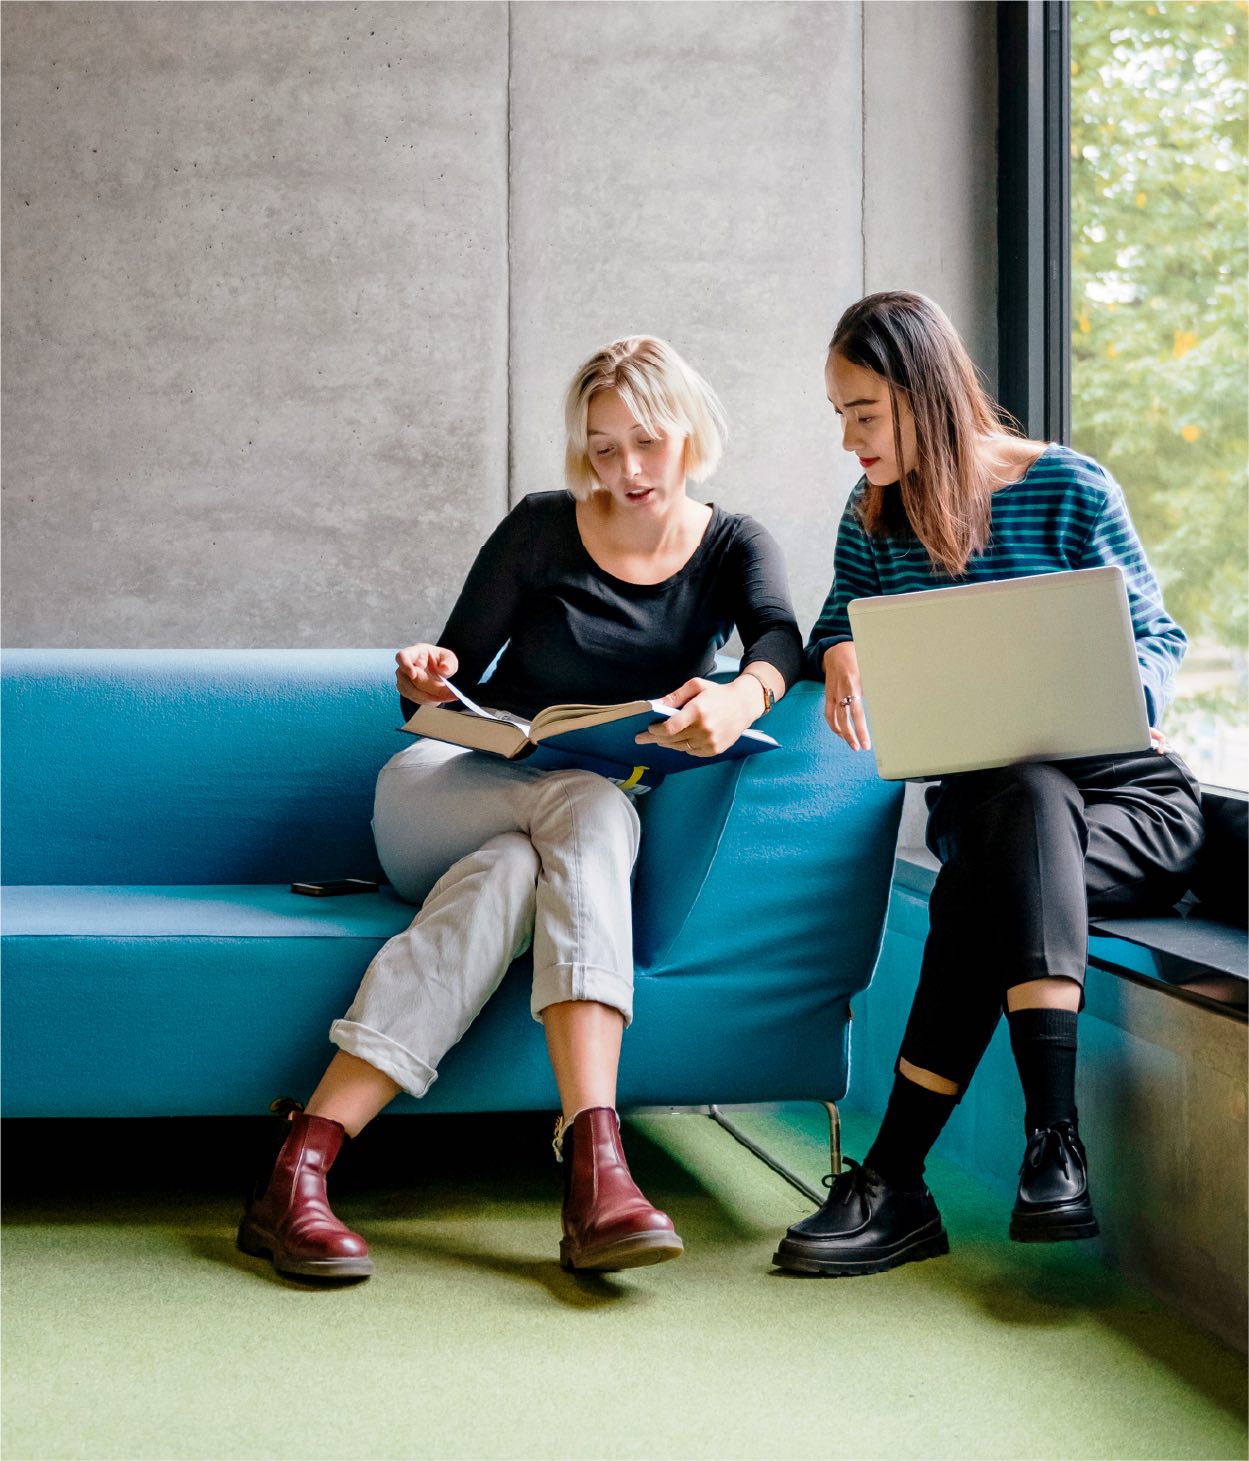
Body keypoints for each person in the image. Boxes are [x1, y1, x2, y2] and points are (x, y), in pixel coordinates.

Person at [238, 335, 803, 1281]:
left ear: (691, 432)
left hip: (541, 837)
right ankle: (598, 1168)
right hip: (442, 798)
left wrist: (741, 695)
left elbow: (778, 633)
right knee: (590, 805)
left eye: (647, 442)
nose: (625, 469)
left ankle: (299, 1168)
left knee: (511, 875)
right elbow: (443, 687)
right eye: (603, 446)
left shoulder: (733, 544)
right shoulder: (541, 525)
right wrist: (425, 675)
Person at [773, 291, 1204, 1277]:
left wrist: (1129, 690)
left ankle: (896, 1184)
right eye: (838, 416)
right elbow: (836, 621)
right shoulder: (874, 515)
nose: (848, 440)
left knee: (1016, 825)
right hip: (999, 816)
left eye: (864, 415)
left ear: (923, 395)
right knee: (1017, 800)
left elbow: (1157, 636)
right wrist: (836, 647)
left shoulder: (1069, 488)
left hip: (1128, 808)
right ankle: (1051, 1150)